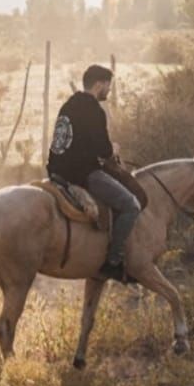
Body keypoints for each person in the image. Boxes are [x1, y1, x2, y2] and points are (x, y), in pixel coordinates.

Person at [47, 64, 140, 283]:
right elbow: (103, 150)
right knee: (131, 205)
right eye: (108, 86)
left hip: (56, 170)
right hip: (82, 174)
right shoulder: (93, 110)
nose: (108, 90)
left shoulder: (68, 106)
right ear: (99, 84)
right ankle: (114, 261)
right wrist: (113, 150)